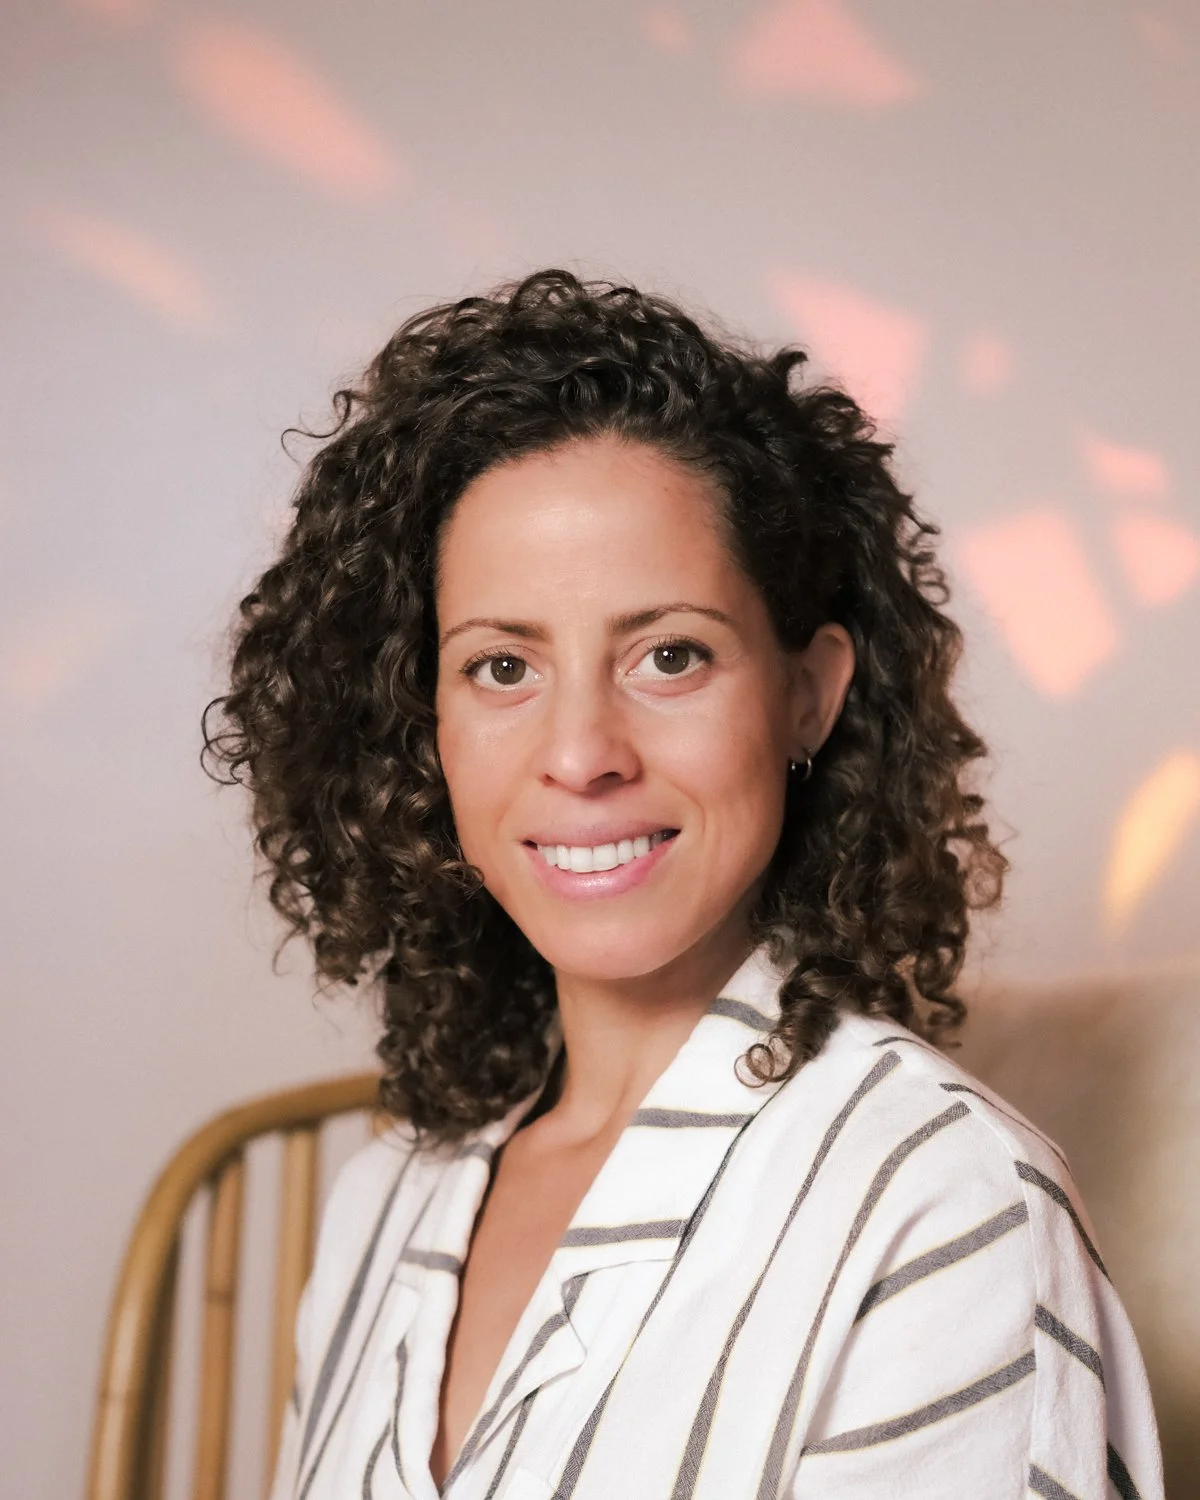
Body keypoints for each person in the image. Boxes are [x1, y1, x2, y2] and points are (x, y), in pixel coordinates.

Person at [203, 270, 1163, 1499]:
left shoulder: (941, 1208)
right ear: (420, 725)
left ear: (807, 692)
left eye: (670, 655)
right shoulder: (386, 1198)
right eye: (502, 666)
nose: (581, 753)